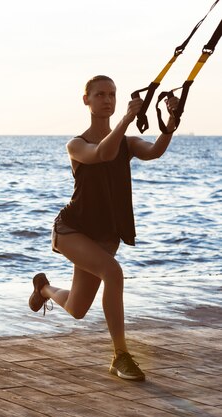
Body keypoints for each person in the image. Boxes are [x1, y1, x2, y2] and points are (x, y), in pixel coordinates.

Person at [29, 75, 179, 381]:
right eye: (100, 94)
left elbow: (155, 151)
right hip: (71, 230)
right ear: (87, 100)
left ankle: (43, 288)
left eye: (112, 94)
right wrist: (126, 119)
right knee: (114, 273)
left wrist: (171, 122)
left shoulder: (127, 142)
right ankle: (121, 355)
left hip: (106, 236)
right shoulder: (77, 144)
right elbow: (102, 154)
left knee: (77, 308)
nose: (107, 99)